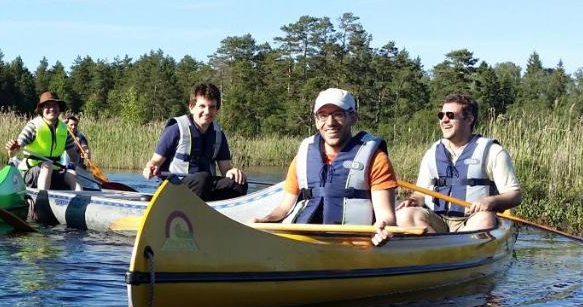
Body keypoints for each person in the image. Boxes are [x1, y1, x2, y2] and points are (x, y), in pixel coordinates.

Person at [252, 88, 396, 245]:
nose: (330, 123)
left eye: (338, 114)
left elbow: (386, 215)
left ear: (353, 117)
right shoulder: (303, 158)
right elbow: (284, 208)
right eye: (323, 115)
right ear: (316, 120)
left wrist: (384, 227)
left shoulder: (377, 159)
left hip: (353, 243)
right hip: (303, 240)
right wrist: (265, 219)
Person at [396, 93, 522, 233]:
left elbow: (514, 195)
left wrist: (490, 201)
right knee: (404, 215)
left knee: (485, 219)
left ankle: (460, 250)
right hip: (439, 220)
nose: (444, 120)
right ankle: (438, 250)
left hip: (473, 220)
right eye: (441, 115)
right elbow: (420, 194)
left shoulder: (493, 152)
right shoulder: (432, 153)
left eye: (450, 115)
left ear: (469, 119)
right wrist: (414, 200)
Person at [142, 82, 247, 201]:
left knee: (239, 183)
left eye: (212, 107)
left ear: (216, 109)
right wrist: (150, 167)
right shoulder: (176, 129)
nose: (207, 111)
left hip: (204, 188)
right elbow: (155, 161)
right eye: (202, 106)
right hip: (174, 188)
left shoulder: (218, 135)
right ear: (191, 107)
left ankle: (216, 213)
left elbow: (226, 169)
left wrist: (233, 172)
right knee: (203, 178)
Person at [5, 91, 80, 190]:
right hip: (30, 174)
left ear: (59, 108)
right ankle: (42, 201)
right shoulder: (33, 126)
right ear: (42, 109)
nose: (52, 108)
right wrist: (11, 149)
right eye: (48, 106)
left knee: (72, 174)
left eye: (55, 105)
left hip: (53, 172)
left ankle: (80, 202)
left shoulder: (64, 130)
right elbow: (13, 153)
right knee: (47, 165)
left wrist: (74, 164)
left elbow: (74, 157)